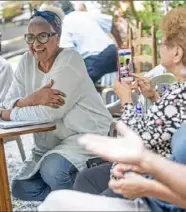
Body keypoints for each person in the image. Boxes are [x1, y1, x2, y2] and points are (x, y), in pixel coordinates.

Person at [0, 6, 113, 201]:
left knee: (53, 170)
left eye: (42, 36)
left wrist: (8, 113)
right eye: (30, 38)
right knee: (20, 187)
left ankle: (76, 203)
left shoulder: (69, 60)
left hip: (86, 134)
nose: (36, 44)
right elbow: (8, 101)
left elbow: (50, 113)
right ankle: (81, 195)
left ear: (56, 38)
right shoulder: (26, 61)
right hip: (49, 143)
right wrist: (32, 99)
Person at [73, 6, 186, 197]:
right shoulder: (177, 91)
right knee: (86, 178)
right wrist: (153, 97)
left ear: (177, 53)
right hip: (155, 165)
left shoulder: (178, 94)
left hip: (152, 176)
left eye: (163, 42)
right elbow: (169, 120)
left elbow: (136, 140)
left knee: (92, 190)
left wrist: (125, 100)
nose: (160, 46)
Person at [38, 122, 186, 211]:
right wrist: (145, 166)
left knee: (56, 203)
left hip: (163, 204)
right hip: (160, 194)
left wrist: (149, 186)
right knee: (69, 191)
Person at [58, 2, 123, 83]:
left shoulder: (63, 24)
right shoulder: (86, 15)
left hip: (95, 59)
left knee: (76, 84)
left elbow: (68, 52)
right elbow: (111, 23)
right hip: (113, 53)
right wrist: (121, 45)